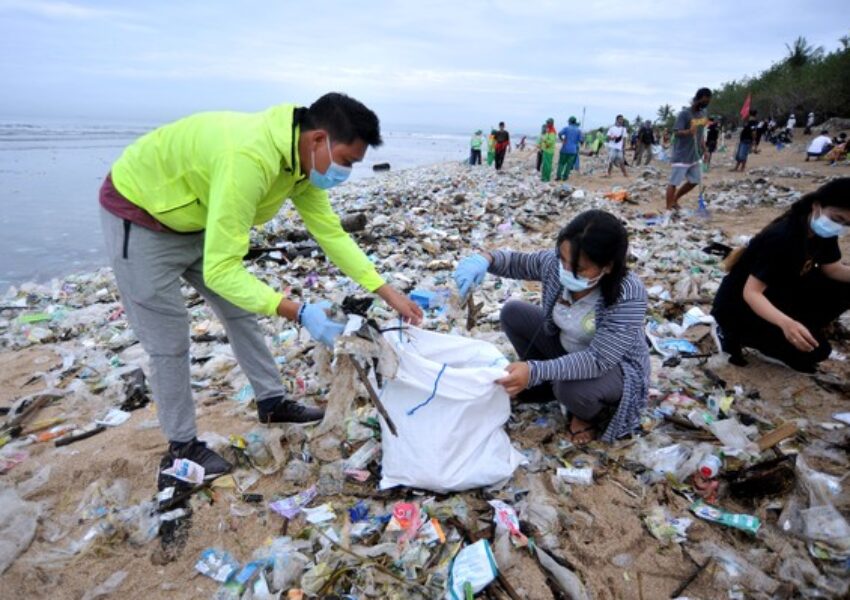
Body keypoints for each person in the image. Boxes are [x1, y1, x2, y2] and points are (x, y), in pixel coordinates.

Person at [99, 93, 424, 477]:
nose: (346, 172)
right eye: (347, 161)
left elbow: (332, 235)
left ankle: (272, 402)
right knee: (169, 340)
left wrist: (388, 292)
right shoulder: (249, 159)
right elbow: (222, 271)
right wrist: (298, 312)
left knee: (241, 312)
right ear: (319, 139)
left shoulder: (300, 163)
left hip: (198, 217)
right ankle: (182, 447)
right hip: (141, 216)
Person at [452, 210, 649, 444]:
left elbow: (599, 360)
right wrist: (485, 259)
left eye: (580, 269)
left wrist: (535, 370)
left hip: (613, 369)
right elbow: (517, 263)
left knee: (571, 391)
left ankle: (588, 415)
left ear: (607, 266)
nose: (567, 271)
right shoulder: (555, 266)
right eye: (563, 260)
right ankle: (546, 387)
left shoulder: (627, 293)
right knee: (512, 313)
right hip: (567, 346)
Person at [712, 178, 850, 373]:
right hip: (740, 307)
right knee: (816, 353)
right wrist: (787, 324)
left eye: (847, 224)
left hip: (780, 292)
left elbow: (833, 269)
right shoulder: (783, 237)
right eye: (837, 219)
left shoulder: (822, 234)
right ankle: (731, 332)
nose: (840, 227)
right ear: (817, 206)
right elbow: (752, 293)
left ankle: (802, 329)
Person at [666, 87, 711, 211]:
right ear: (699, 98)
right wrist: (688, 132)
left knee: (695, 180)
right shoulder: (685, 114)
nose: (706, 103)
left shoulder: (703, 114)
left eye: (708, 101)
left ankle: (675, 199)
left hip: (695, 155)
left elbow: (700, 134)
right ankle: (668, 209)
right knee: (674, 183)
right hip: (682, 155)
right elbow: (676, 132)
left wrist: (705, 150)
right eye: (705, 100)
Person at [557, 116, 584, 180]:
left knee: (561, 163)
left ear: (570, 122)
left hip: (565, 148)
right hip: (573, 150)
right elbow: (581, 141)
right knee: (569, 165)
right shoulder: (578, 130)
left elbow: (559, 133)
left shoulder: (566, 128)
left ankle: (558, 176)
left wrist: (562, 140)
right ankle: (565, 177)